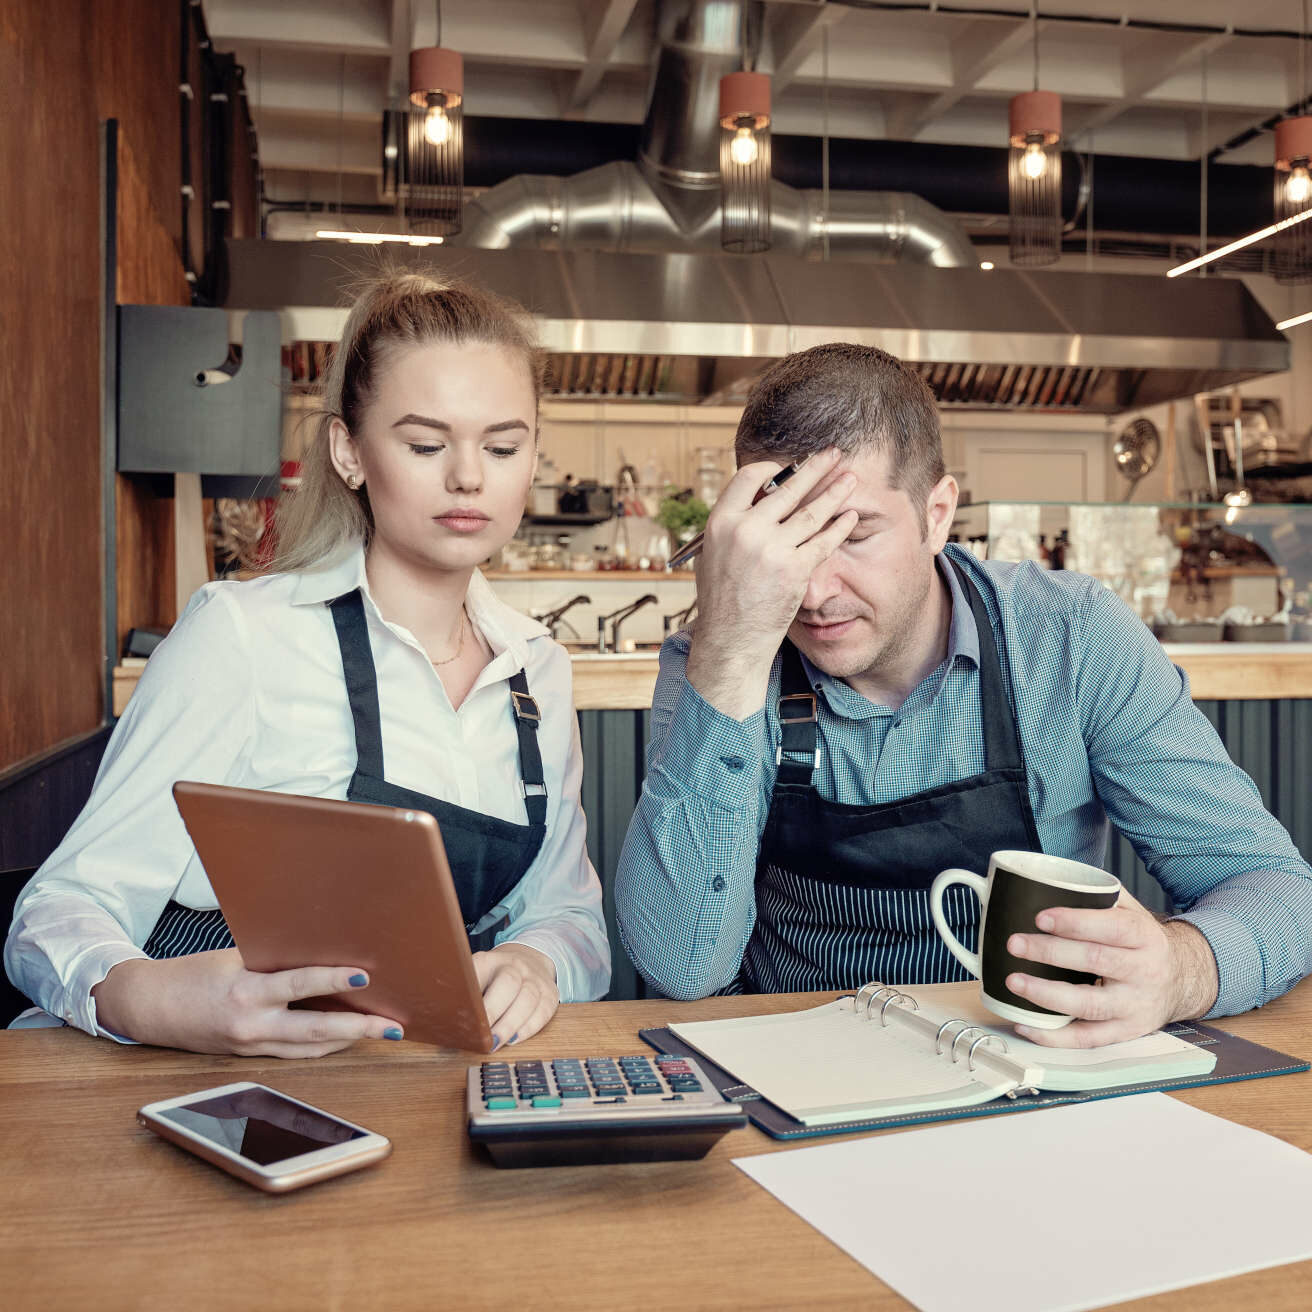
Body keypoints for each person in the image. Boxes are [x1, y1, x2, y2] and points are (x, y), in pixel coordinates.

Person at [614, 343, 1312, 1048]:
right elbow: (684, 968)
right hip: (791, 1074)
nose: (814, 592)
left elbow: (1275, 887)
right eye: (786, 541)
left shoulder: (1069, 636)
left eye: (854, 535)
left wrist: (1182, 970)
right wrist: (731, 651)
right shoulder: (716, 659)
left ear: (938, 513)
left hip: (1029, 1073)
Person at [6, 272, 610, 1056]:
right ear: (349, 452)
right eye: (426, 444)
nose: (469, 476)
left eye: (503, 445)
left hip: (415, 1084)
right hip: (207, 1083)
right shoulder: (244, 637)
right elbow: (58, 908)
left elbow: (568, 916)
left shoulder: (537, 670)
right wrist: (155, 1001)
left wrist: (538, 960)